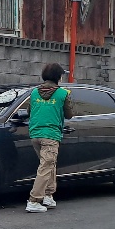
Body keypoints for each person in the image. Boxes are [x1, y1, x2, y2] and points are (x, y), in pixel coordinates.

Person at [25, 63, 74, 213]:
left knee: (48, 164)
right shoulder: (63, 93)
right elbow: (69, 114)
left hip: (35, 134)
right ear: (58, 77)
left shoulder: (34, 92)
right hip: (51, 135)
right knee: (46, 167)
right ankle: (34, 200)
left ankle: (48, 195)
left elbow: (28, 110)